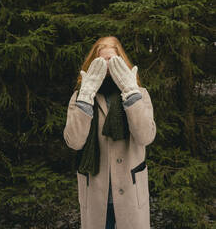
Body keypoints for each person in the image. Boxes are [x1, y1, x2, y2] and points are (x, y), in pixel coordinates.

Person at [63, 36, 156, 229]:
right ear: (92, 64)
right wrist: (86, 95)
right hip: (96, 195)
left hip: (131, 194)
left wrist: (130, 92)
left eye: (112, 60)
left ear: (121, 62)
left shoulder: (139, 94)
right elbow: (74, 141)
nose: (107, 66)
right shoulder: (81, 97)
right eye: (102, 61)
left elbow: (146, 136)